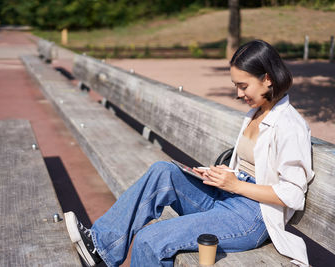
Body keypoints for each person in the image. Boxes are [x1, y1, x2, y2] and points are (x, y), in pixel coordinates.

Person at [65, 40, 314, 267]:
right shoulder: (256, 112)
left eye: (243, 86)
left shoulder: (290, 126)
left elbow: (292, 194)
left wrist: (236, 185)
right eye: (235, 86)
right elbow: (253, 168)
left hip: (252, 217)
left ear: (268, 79)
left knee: (149, 240)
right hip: (227, 196)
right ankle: (99, 246)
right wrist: (224, 174)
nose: (238, 94)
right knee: (163, 172)